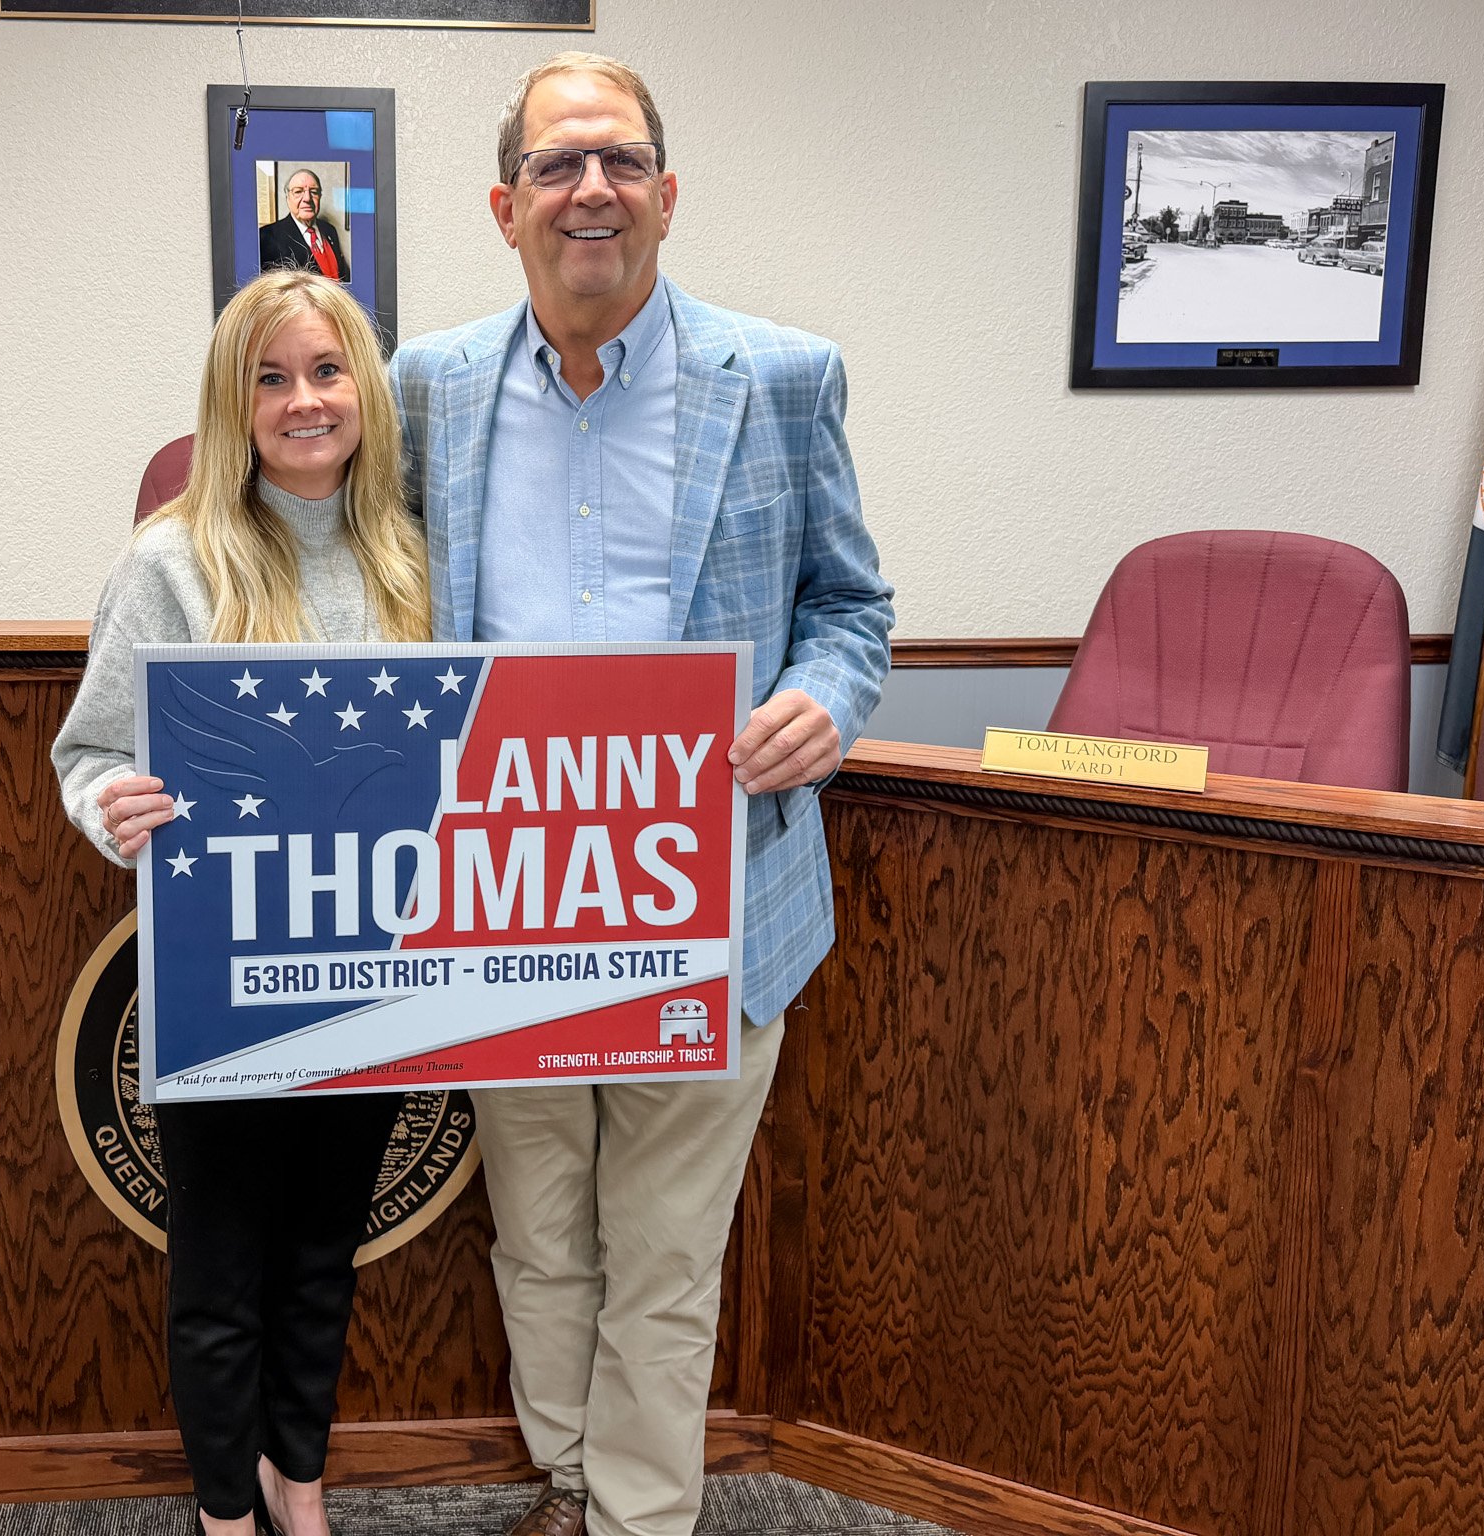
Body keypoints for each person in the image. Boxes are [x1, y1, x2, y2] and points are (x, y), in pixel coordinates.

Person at [389, 52, 894, 1536]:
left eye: (618, 162)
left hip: (714, 893)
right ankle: (564, 1481)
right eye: (556, 166)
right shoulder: (429, 387)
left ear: (667, 196)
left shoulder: (784, 377)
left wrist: (827, 700)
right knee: (540, 1240)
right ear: (505, 206)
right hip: (507, 895)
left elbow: (850, 606)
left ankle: (637, 1522)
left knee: (668, 1252)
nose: (589, 189)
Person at [53, 268, 428, 1536]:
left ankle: (297, 1482)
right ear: (232, 405)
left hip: (375, 970)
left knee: (323, 1255)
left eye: (325, 372)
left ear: (364, 392)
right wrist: (114, 810)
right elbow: (87, 756)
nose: (302, 400)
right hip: (221, 979)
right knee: (219, 1273)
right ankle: (225, 1510)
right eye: (269, 379)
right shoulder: (169, 560)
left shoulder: (413, 558)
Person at [259, 168, 352, 284]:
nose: (307, 198)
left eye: (313, 192)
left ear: (320, 196)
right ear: (288, 198)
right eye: (298, 192)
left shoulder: (330, 230)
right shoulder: (266, 236)